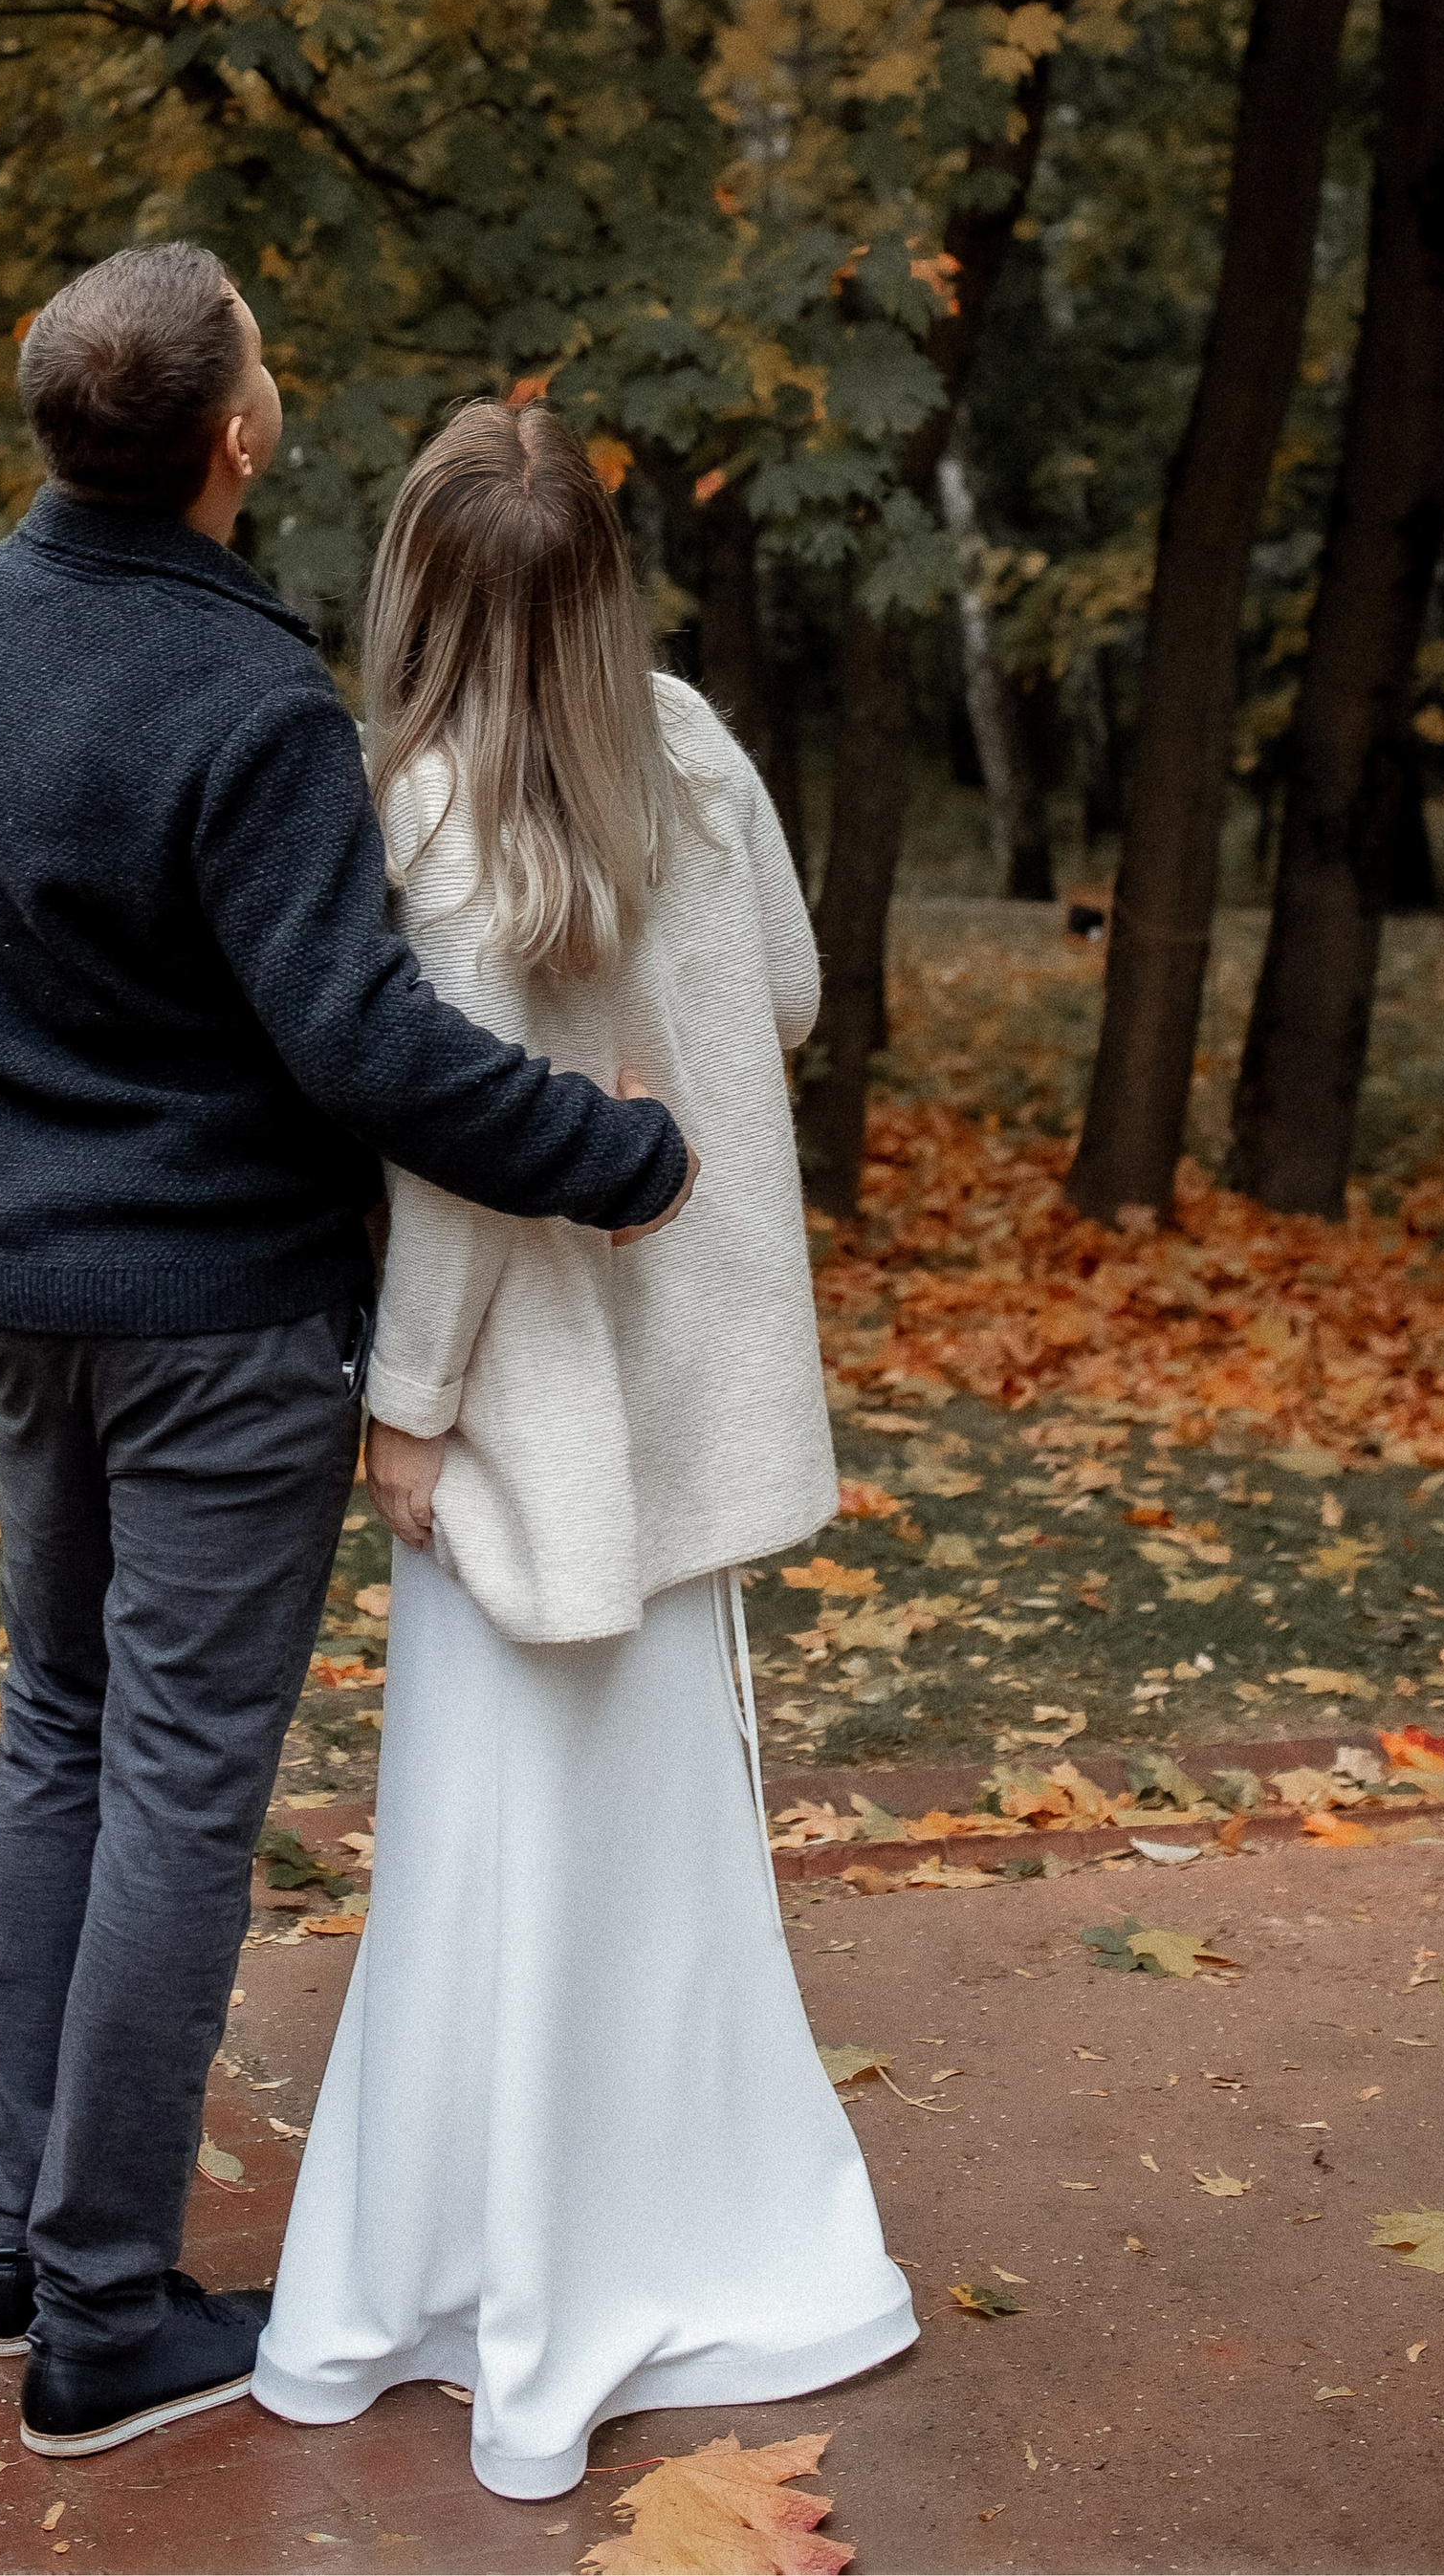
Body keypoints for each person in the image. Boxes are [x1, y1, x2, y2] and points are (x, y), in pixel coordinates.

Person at [0, 247, 696, 2464]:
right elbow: (365, 1045)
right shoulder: (248, 710)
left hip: (26, 1290)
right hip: (221, 1325)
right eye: (263, 358)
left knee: (55, 1720)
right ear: (232, 434)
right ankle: (104, 2312)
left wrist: (9, 1169)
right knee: (172, 1784)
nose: (278, 380)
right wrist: (609, 1155)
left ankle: (12, 2244)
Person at [252, 399, 917, 2500]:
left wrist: (406, 1408)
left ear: (421, 589)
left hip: (534, 1407)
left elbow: (450, 1176)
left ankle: (492, 2279)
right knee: (657, 1854)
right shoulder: (694, 744)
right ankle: (719, 2232)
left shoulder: (432, 820)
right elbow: (794, 995)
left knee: (495, 1854)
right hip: (686, 1383)